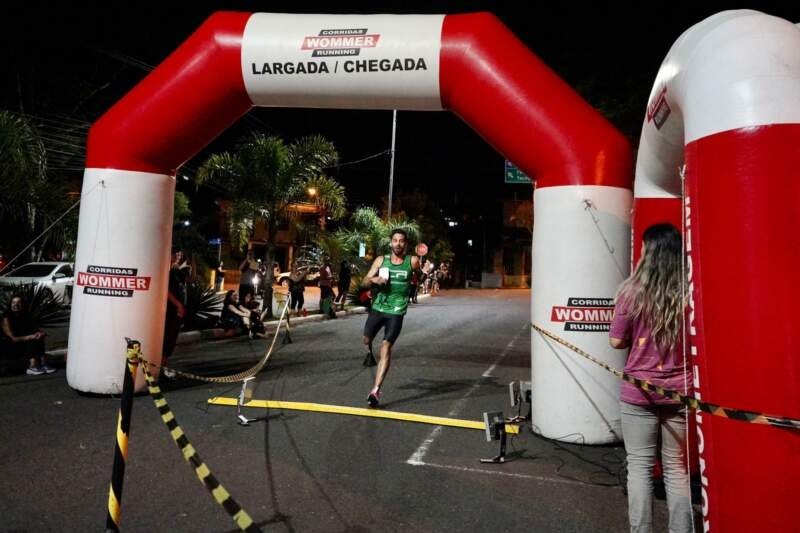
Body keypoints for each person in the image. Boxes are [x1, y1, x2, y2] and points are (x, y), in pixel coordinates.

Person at [609, 223, 693, 533]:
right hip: (679, 393)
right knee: (677, 470)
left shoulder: (630, 293)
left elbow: (616, 342)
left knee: (640, 468)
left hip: (639, 394)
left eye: (644, 248)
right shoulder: (690, 294)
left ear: (650, 253)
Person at [360, 229, 420, 407]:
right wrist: (374, 280)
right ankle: (368, 351)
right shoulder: (381, 260)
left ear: (405, 244)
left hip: (396, 311)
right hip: (378, 307)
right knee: (366, 339)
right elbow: (364, 281)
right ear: (391, 243)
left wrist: (420, 276)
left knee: (386, 347)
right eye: (395, 240)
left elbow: (419, 277)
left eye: (401, 241)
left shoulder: (412, 261)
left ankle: (375, 390)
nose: (398, 244)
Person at [1, 295, 55, 375]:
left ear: (23, 305)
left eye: (19, 302)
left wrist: (40, 333)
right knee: (32, 338)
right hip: (9, 345)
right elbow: (13, 339)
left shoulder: (26, 316)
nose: (16, 305)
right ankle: (32, 366)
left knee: (37, 337)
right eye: (13, 302)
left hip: (23, 343)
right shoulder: (6, 317)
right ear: (10, 304)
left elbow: (34, 329)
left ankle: (43, 364)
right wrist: (30, 337)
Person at [162, 249, 187, 379]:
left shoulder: (176, 271)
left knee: (171, 339)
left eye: (179, 254)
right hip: (171, 309)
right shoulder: (166, 270)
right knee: (167, 338)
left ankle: (163, 366)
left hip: (176, 309)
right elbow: (165, 290)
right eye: (175, 254)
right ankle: (161, 368)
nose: (177, 256)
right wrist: (178, 305)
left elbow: (189, 280)